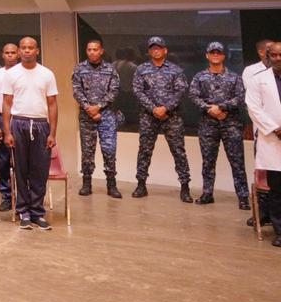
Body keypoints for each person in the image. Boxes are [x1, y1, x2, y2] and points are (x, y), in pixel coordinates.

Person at [1, 36, 58, 230]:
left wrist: (52, 132)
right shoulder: (11, 74)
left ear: (37, 51)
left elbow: (52, 104)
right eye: (23, 48)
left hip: (41, 126)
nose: (26, 51)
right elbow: (7, 103)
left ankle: (37, 212)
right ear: (19, 51)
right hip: (19, 124)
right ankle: (23, 211)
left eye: (30, 48)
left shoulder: (47, 74)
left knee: (39, 171)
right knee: (21, 170)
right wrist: (7, 131)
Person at [131, 36, 192, 202]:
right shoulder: (141, 69)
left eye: (159, 47)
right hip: (148, 116)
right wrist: (153, 109)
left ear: (165, 50)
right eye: (152, 48)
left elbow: (181, 91)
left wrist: (165, 108)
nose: (156, 50)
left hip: (171, 116)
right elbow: (137, 91)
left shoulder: (175, 70)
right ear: (149, 51)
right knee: (144, 151)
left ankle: (185, 187)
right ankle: (141, 184)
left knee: (178, 151)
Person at [189, 41, 249, 209]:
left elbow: (240, 97)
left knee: (237, 162)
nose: (215, 55)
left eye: (219, 52)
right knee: (208, 161)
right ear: (207, 55)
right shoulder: (200, 77)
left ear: (224, 56)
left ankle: (243, 197)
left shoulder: (235, 77)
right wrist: (209, 109)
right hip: (208, 124)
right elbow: (193, 95)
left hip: (231, 124)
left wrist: (221, 107)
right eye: (212, 52)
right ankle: (207, 194)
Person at [71, 39, 122, 198]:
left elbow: (114, 91)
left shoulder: (110, 69)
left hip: (106, 115)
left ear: (101, 51)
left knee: (109, 149)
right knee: (87, 151)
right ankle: (87, 183)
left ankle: (111, 184)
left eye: (95, 49)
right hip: (87, 116)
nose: (92, 52)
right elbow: (77, 91)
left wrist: (98, 107)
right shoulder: (79, 69)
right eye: (89, 49)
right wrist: (89, 108)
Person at [243, 42, 281, 247]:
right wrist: (275, 128)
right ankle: (280, 231)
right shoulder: (259, 80)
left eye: (280, 55)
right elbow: (253, 108)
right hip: (273, 139)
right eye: (273, 55)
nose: (277, 58)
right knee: (277, 190)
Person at [0, 43, 18, 211]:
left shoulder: (24, 73)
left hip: (20, 119)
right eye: (7, 53)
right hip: (0, 118)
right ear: (2, 55)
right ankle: (6, 196)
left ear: (18, 54)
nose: (10, 55)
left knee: (22, 160)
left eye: (13, 53)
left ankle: (23, 196)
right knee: (3, 160)